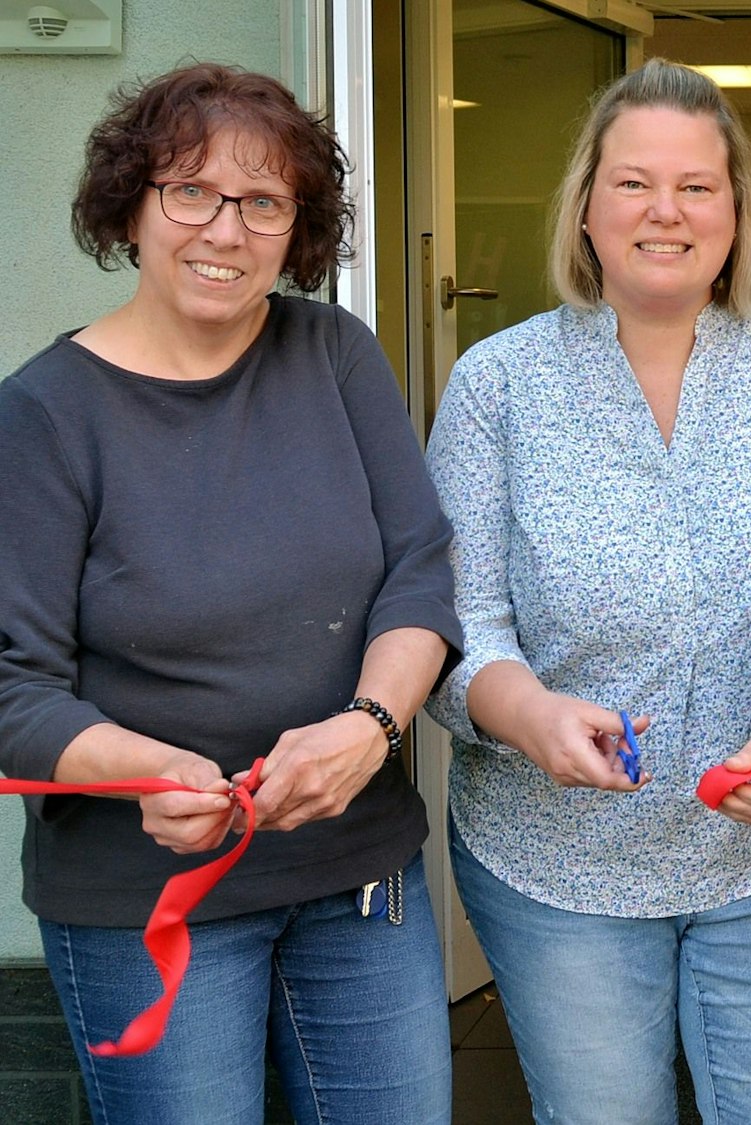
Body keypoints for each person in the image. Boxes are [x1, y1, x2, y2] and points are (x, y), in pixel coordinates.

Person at [423, 59, 751, 1125]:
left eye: (697, 186)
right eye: (633, 182)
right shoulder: (498, 383)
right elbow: (455, 620)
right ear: (586, 206)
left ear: (735, 214)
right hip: (555, 860)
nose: (665, 212)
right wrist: (529, 712)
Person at [0, 63, 461, 1122]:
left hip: (357, 876)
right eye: (190, 191)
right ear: (132, 204)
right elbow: (14, 690)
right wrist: (143, 765)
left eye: (264, 202)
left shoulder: (335, 354)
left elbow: (420, 570)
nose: (225, 229)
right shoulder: (44, 415)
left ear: (297, 228)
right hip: (147, 898)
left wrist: (372, 724)